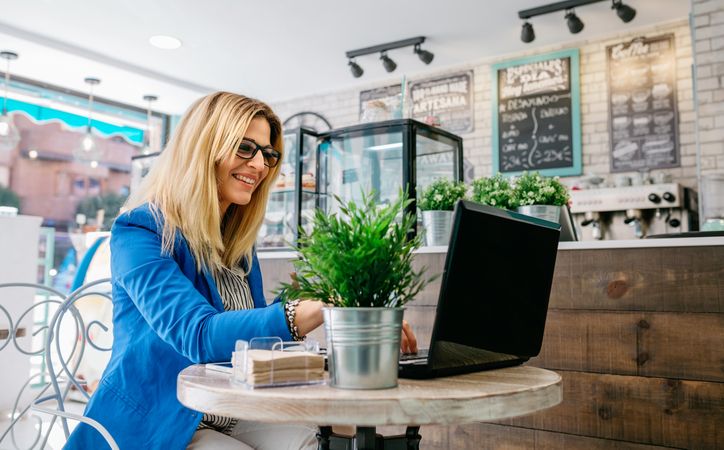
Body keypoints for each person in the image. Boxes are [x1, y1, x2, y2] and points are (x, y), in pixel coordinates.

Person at [65, 92, 417, 450]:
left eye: (267, 153)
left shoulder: (237, 243)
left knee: (319, 438)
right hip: (159, 422)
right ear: (204, 147)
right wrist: (304, 312)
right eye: (245, 147)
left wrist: (343, 303)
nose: (260, 165)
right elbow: (198, 334)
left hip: (229, 407)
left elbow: (249, 334)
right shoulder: (140, 231)